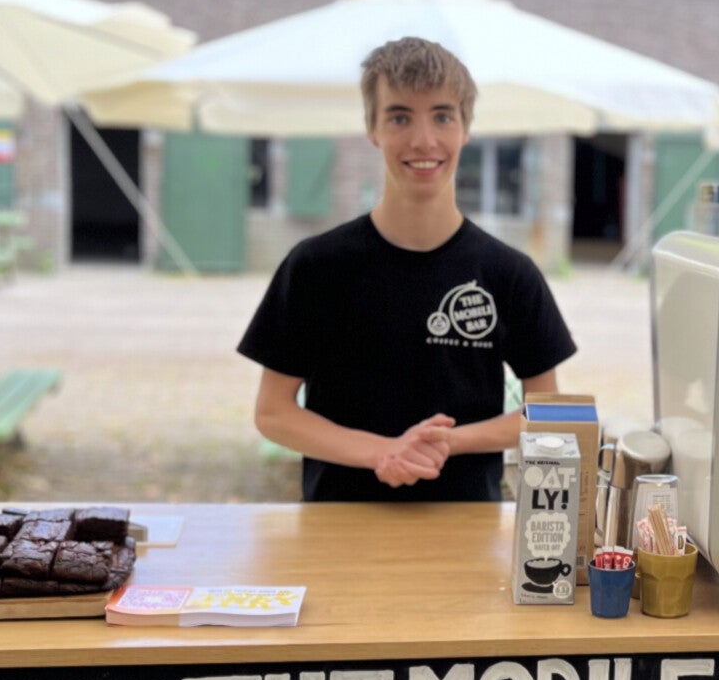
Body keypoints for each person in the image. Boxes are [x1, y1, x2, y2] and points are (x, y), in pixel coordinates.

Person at [239, 37, 577, 502]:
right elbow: (273, 413)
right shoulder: (316, 267)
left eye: (442, 117)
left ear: (465, 129)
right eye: (400, 117)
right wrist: (383, 453)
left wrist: (447, 442)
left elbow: (548, 416)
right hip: (338, 523)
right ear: (372, 129)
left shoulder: (509, 274)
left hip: (467, 526)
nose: (423, 140)